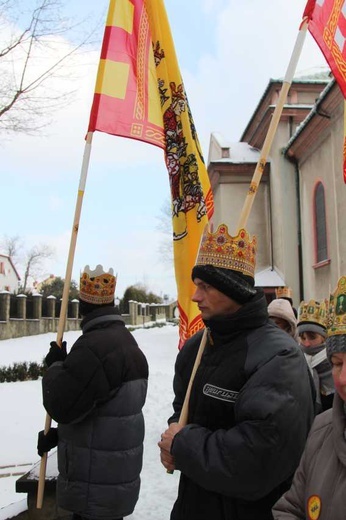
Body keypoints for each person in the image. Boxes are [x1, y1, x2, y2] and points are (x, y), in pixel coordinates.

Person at [158, 224, 315, 520]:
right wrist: (173, 437)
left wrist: (183, 444)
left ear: (233, 289)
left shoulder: (278, 357)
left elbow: (260, 458)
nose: (195, 297)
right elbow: (185, 411)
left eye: (205, 286)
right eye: (196, 285)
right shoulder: (197, 347)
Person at [37, 265, 149, 520]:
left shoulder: (95, 347)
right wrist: (60, 436)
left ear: (82, 307)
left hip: (95, 490)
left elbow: (61, 403)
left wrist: (55, 365)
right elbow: (106, 415)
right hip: (111, 483)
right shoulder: (124, 340)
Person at [272, 276, 346, 519]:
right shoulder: (321, 430)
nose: (343, 378)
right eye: (337, 364)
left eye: (312, 338)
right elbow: (291, 507)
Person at [297, 299, 334, 413]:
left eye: (312, 337)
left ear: (325, 338)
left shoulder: (337, 365)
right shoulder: (295, 363)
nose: (306, 344)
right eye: (303, 338)